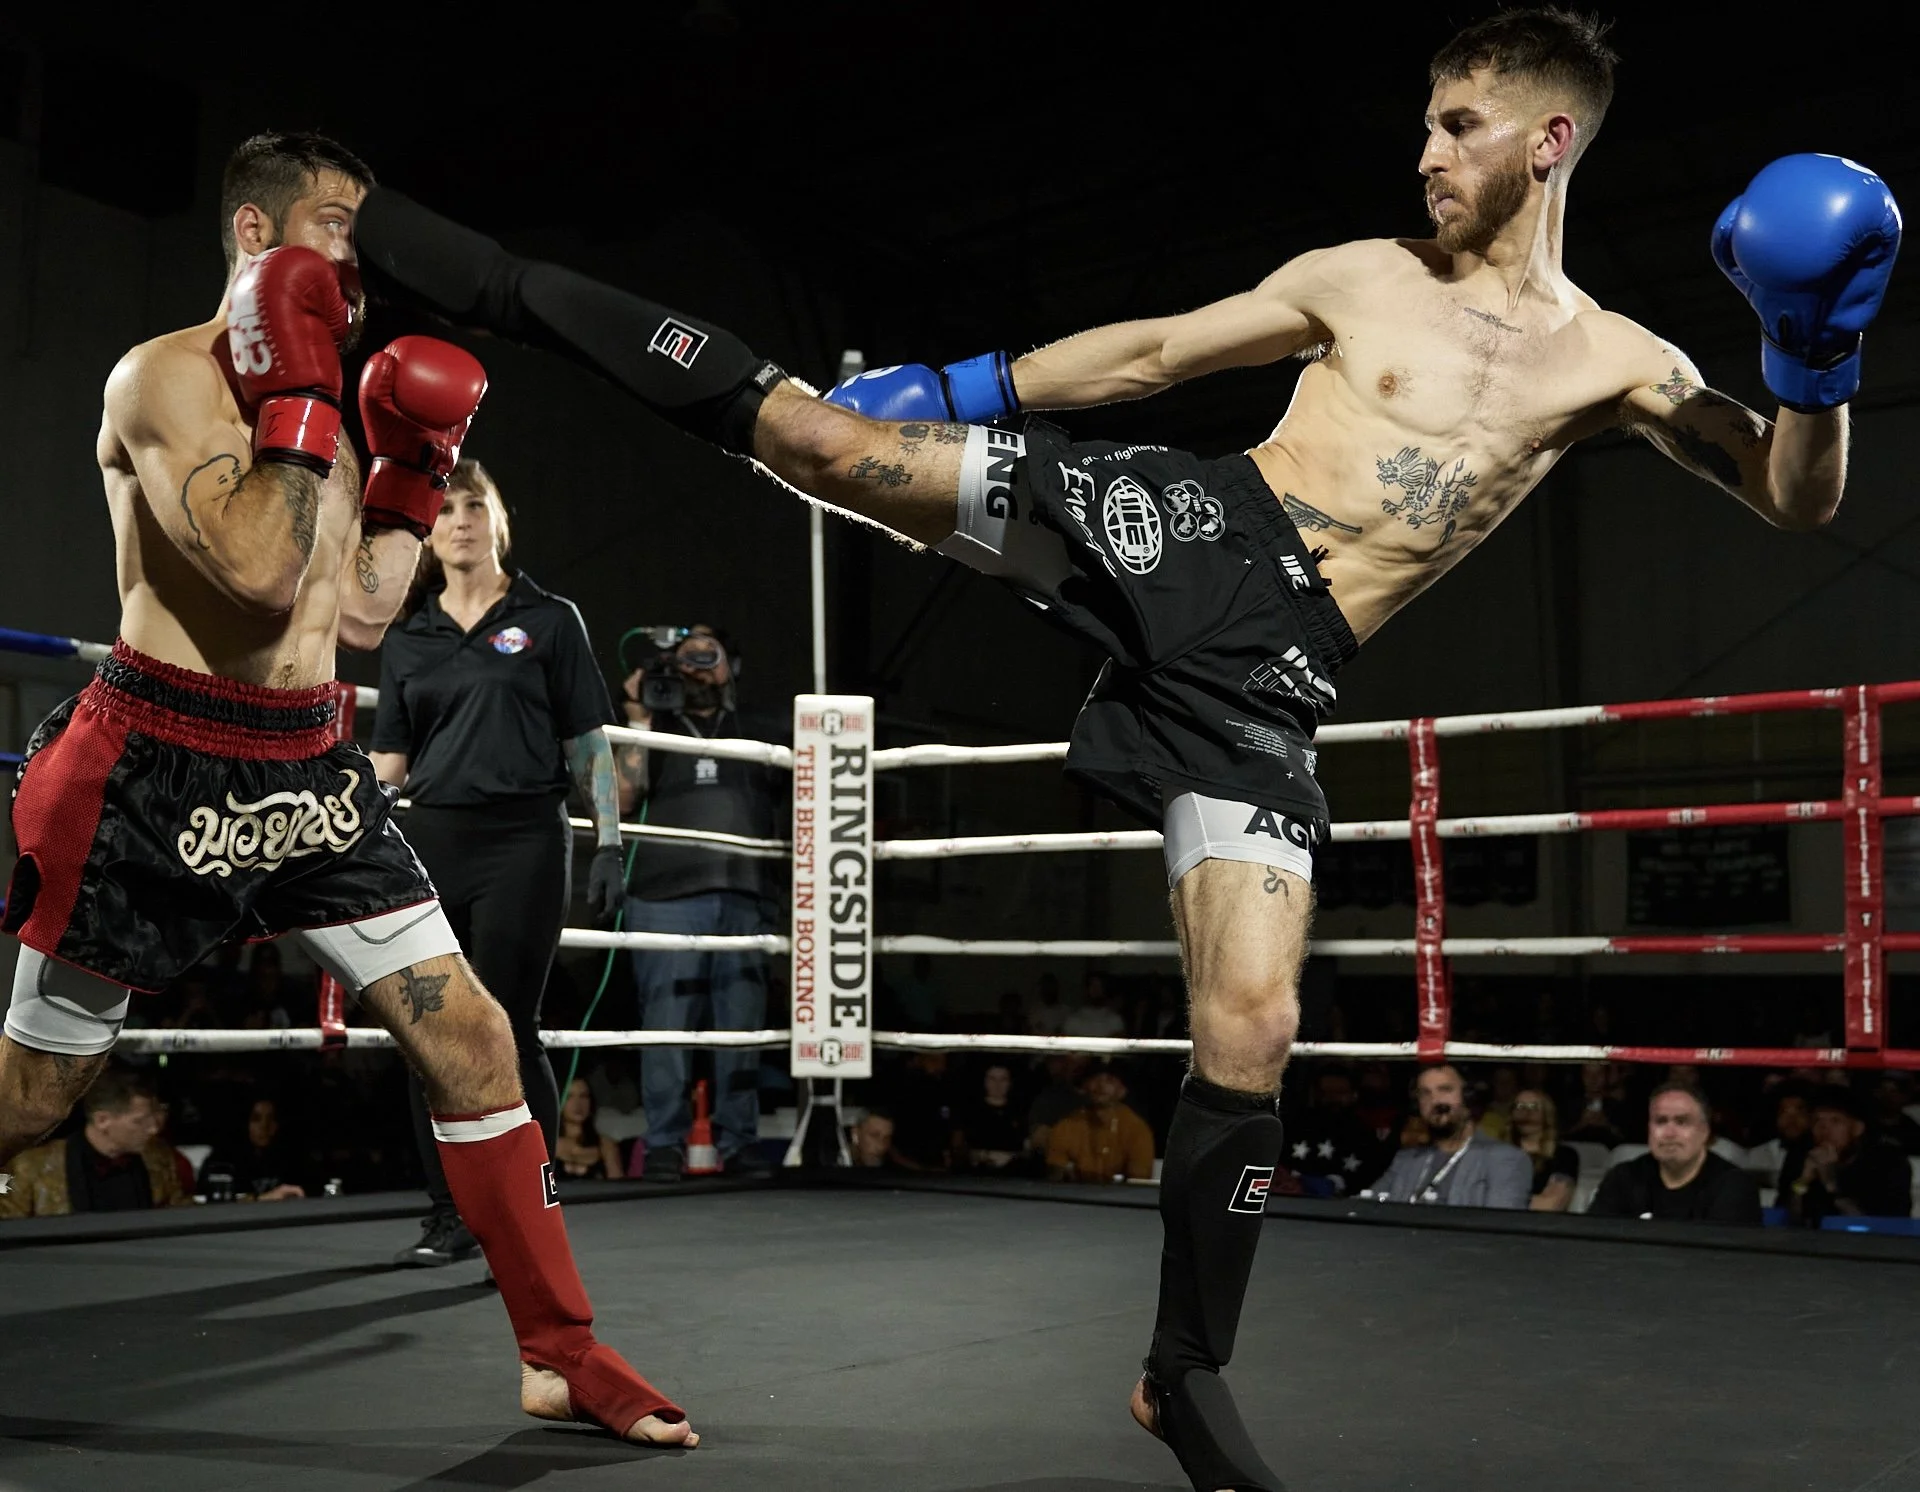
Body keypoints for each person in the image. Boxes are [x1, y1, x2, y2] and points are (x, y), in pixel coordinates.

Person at [346, 9, 1900, 1480]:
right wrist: (972, 385)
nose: (1427, 151)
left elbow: (1794, 496)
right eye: (1427, 122)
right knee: (819, 440)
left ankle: (1183, 1369)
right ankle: (463, 271)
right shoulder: (1362, 273)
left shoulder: (1616, 356)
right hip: (1190, 533)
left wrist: (1810, 358)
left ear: (1551, 140)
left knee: (1254, 1024)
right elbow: (1159, 353)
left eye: (1459, 124)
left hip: (1277, 673)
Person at [0, 133, 692, 1446]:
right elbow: (260, 572)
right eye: (337, 229)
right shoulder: (162, 380)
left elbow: (363, 611)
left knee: (476, 1038)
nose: (365, 264)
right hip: (153, 765)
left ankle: (561, 1353)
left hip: (307, 767)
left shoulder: (339, 398)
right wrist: (306, 398)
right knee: (36, 1098)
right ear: (259, 239)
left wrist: (412, 461)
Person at [370, 457, 623, 1265]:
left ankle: (533, 1208)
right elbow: (390, 763)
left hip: (522, 840)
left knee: (510, 1028)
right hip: (432, 839)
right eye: (444, 512)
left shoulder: (549, 619)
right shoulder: (408, 638)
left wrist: (609, 838)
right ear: (429, 534)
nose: (460, 521)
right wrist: (354, 850)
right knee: (429, 1034)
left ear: (498, 520)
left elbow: (587, 742)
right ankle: (450, 1213)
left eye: (474, 506)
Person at [613, 625, 785, 1182]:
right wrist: (638, 717)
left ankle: (740, 1141)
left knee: (741, 1027)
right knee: (667, 1025)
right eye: (685, 659)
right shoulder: (654, 725)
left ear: (730, 665)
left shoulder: (757, 726)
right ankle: (663, 1142)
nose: (697, 667)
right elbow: (620, 797)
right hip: (664, 897)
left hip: (746, 893)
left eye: (708, 656)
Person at [0, 1068, 191, 1218]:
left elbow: (180, 1218)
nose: (153, 1129)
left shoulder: (159, 1157)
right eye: (139, 1121)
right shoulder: (29, 1169)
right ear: (102, 1121)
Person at [1587, 1083, 1762, 1225]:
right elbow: (1595, 1245)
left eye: (1682, 1122)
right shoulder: (1622, 1178)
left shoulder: (1734, 1186)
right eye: (1661, 1121)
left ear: (1704, 1132)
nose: (1669, 1133)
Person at [1368, 1064, 1532, 1209]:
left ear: (1468, 1097)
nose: (1435, 1101)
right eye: (1425, 1093)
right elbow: (1367, 1206)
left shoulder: (1505, 1159)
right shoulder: (1406, 1160)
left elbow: (1499, 1230)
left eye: (1445, 1090)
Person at [1787, 1087, 1913, 1226]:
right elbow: (1788, 1222)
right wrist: (1803, 1181)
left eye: (1835, 1121)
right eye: (1817, 1120)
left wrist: (1831, 1184)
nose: (1824, 1128)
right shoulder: (1800, 1156)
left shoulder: (1888, 1163)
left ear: (1857, 1128)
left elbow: (1874, 1227)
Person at [1046, 1063, 1156, 1185]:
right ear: (1084, 1086)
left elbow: (1139, 1180)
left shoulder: (1137, 1129)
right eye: (1095, 1078)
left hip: (1119, 1199)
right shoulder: (1067, 1125)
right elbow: (1055, 1175)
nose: (1101, 1085)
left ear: (1122, 1090)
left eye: (1110, 1080)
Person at [198, 1094, 308, 1202]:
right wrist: (263, 1199)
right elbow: (211, 1205)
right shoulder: (221, 1161)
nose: (264, 1126)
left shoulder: (291, 1158)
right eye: (256, 1119)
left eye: (271, 1118)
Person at [1508, 1089, 1578, 1212]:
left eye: (1534, 1107)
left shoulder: (1565, 1156)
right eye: (1520, 1106)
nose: (1525, 1112)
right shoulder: (1496, 1153)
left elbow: (1551, 1204)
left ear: (1547, 1113)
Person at [955, 1062, 1030, 1174]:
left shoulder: (1019, 1112)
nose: (997, 1084)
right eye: (992, 1079)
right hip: (975, 1175)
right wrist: (983, 1156)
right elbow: (958, 1146)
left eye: (1003, 1080)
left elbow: (1028, 1148)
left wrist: (1010, 1157)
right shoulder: (970, 1111)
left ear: (1009, 1083)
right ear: (985, 1082)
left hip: (1012, 1175)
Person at [1744, 1083, 1815, 1190]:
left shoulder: (1819, 1155)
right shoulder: (1759, 1154)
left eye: (1799, 1112)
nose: (1791, 1120)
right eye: (1784, 1112)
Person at [554, 1078, 624, 1182]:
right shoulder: (546, 1145)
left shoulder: (606, 1146)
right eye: (569, 1096)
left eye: (584, 1096)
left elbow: (618, 1188)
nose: (578, 1103)